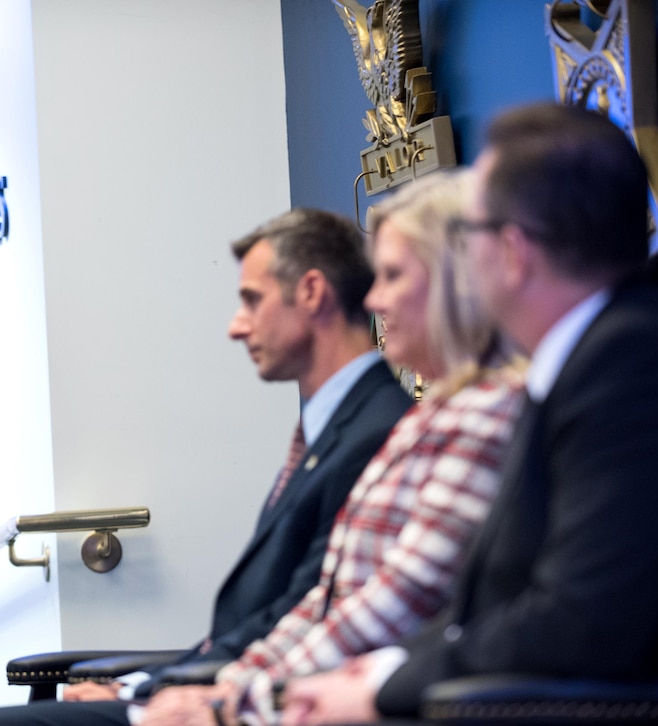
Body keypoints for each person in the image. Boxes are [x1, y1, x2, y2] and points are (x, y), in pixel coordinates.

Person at [278, 102, 658, 725]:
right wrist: (381, 669)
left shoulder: (634, 365)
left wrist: (384, 688)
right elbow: (496, 608)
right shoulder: (594, 357)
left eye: (467, 235)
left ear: (511, 252)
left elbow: (581, 621)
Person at [0, 209, 412, 726]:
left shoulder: (378, 430)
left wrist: (159, 690)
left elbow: (304, 613)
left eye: (252, 301)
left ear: (312, 293)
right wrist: (140, 684)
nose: (237, 326)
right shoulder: (335, 424)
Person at [140, 169, 526, 726]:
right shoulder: (432, 416)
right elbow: (326, 602)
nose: (373, 297)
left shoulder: (485, 412)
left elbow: (397, 599)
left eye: (392, 275)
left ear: (451, 279)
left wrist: (232, 705)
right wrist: (228, 689)